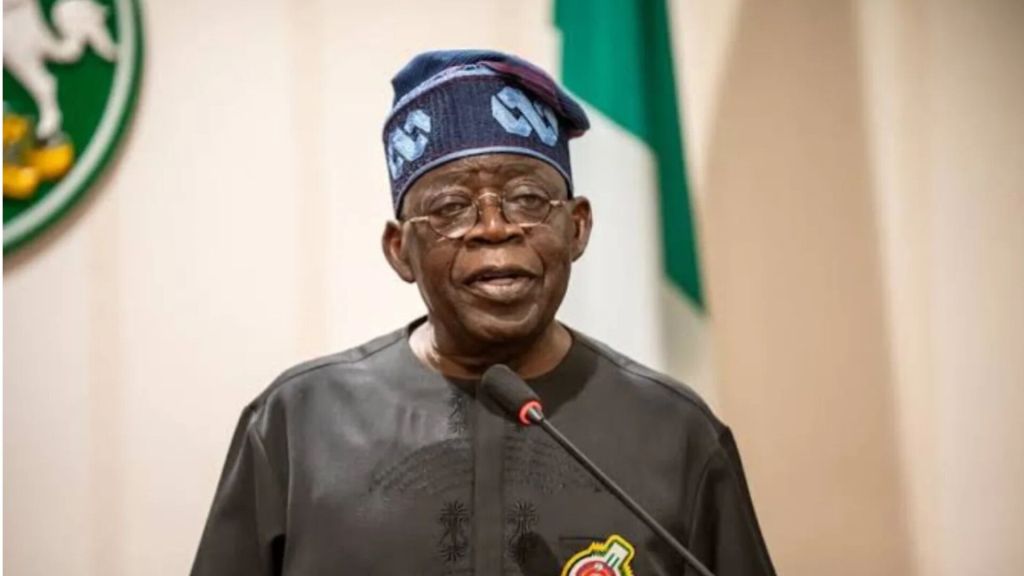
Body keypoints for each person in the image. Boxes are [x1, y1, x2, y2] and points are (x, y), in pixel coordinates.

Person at [191, 49, 776, 576]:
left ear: (576, 228)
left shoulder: (675, 432)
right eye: (450, 208)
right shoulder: (297, 423)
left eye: (527, 200)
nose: (495, 229)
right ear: (401, 251)